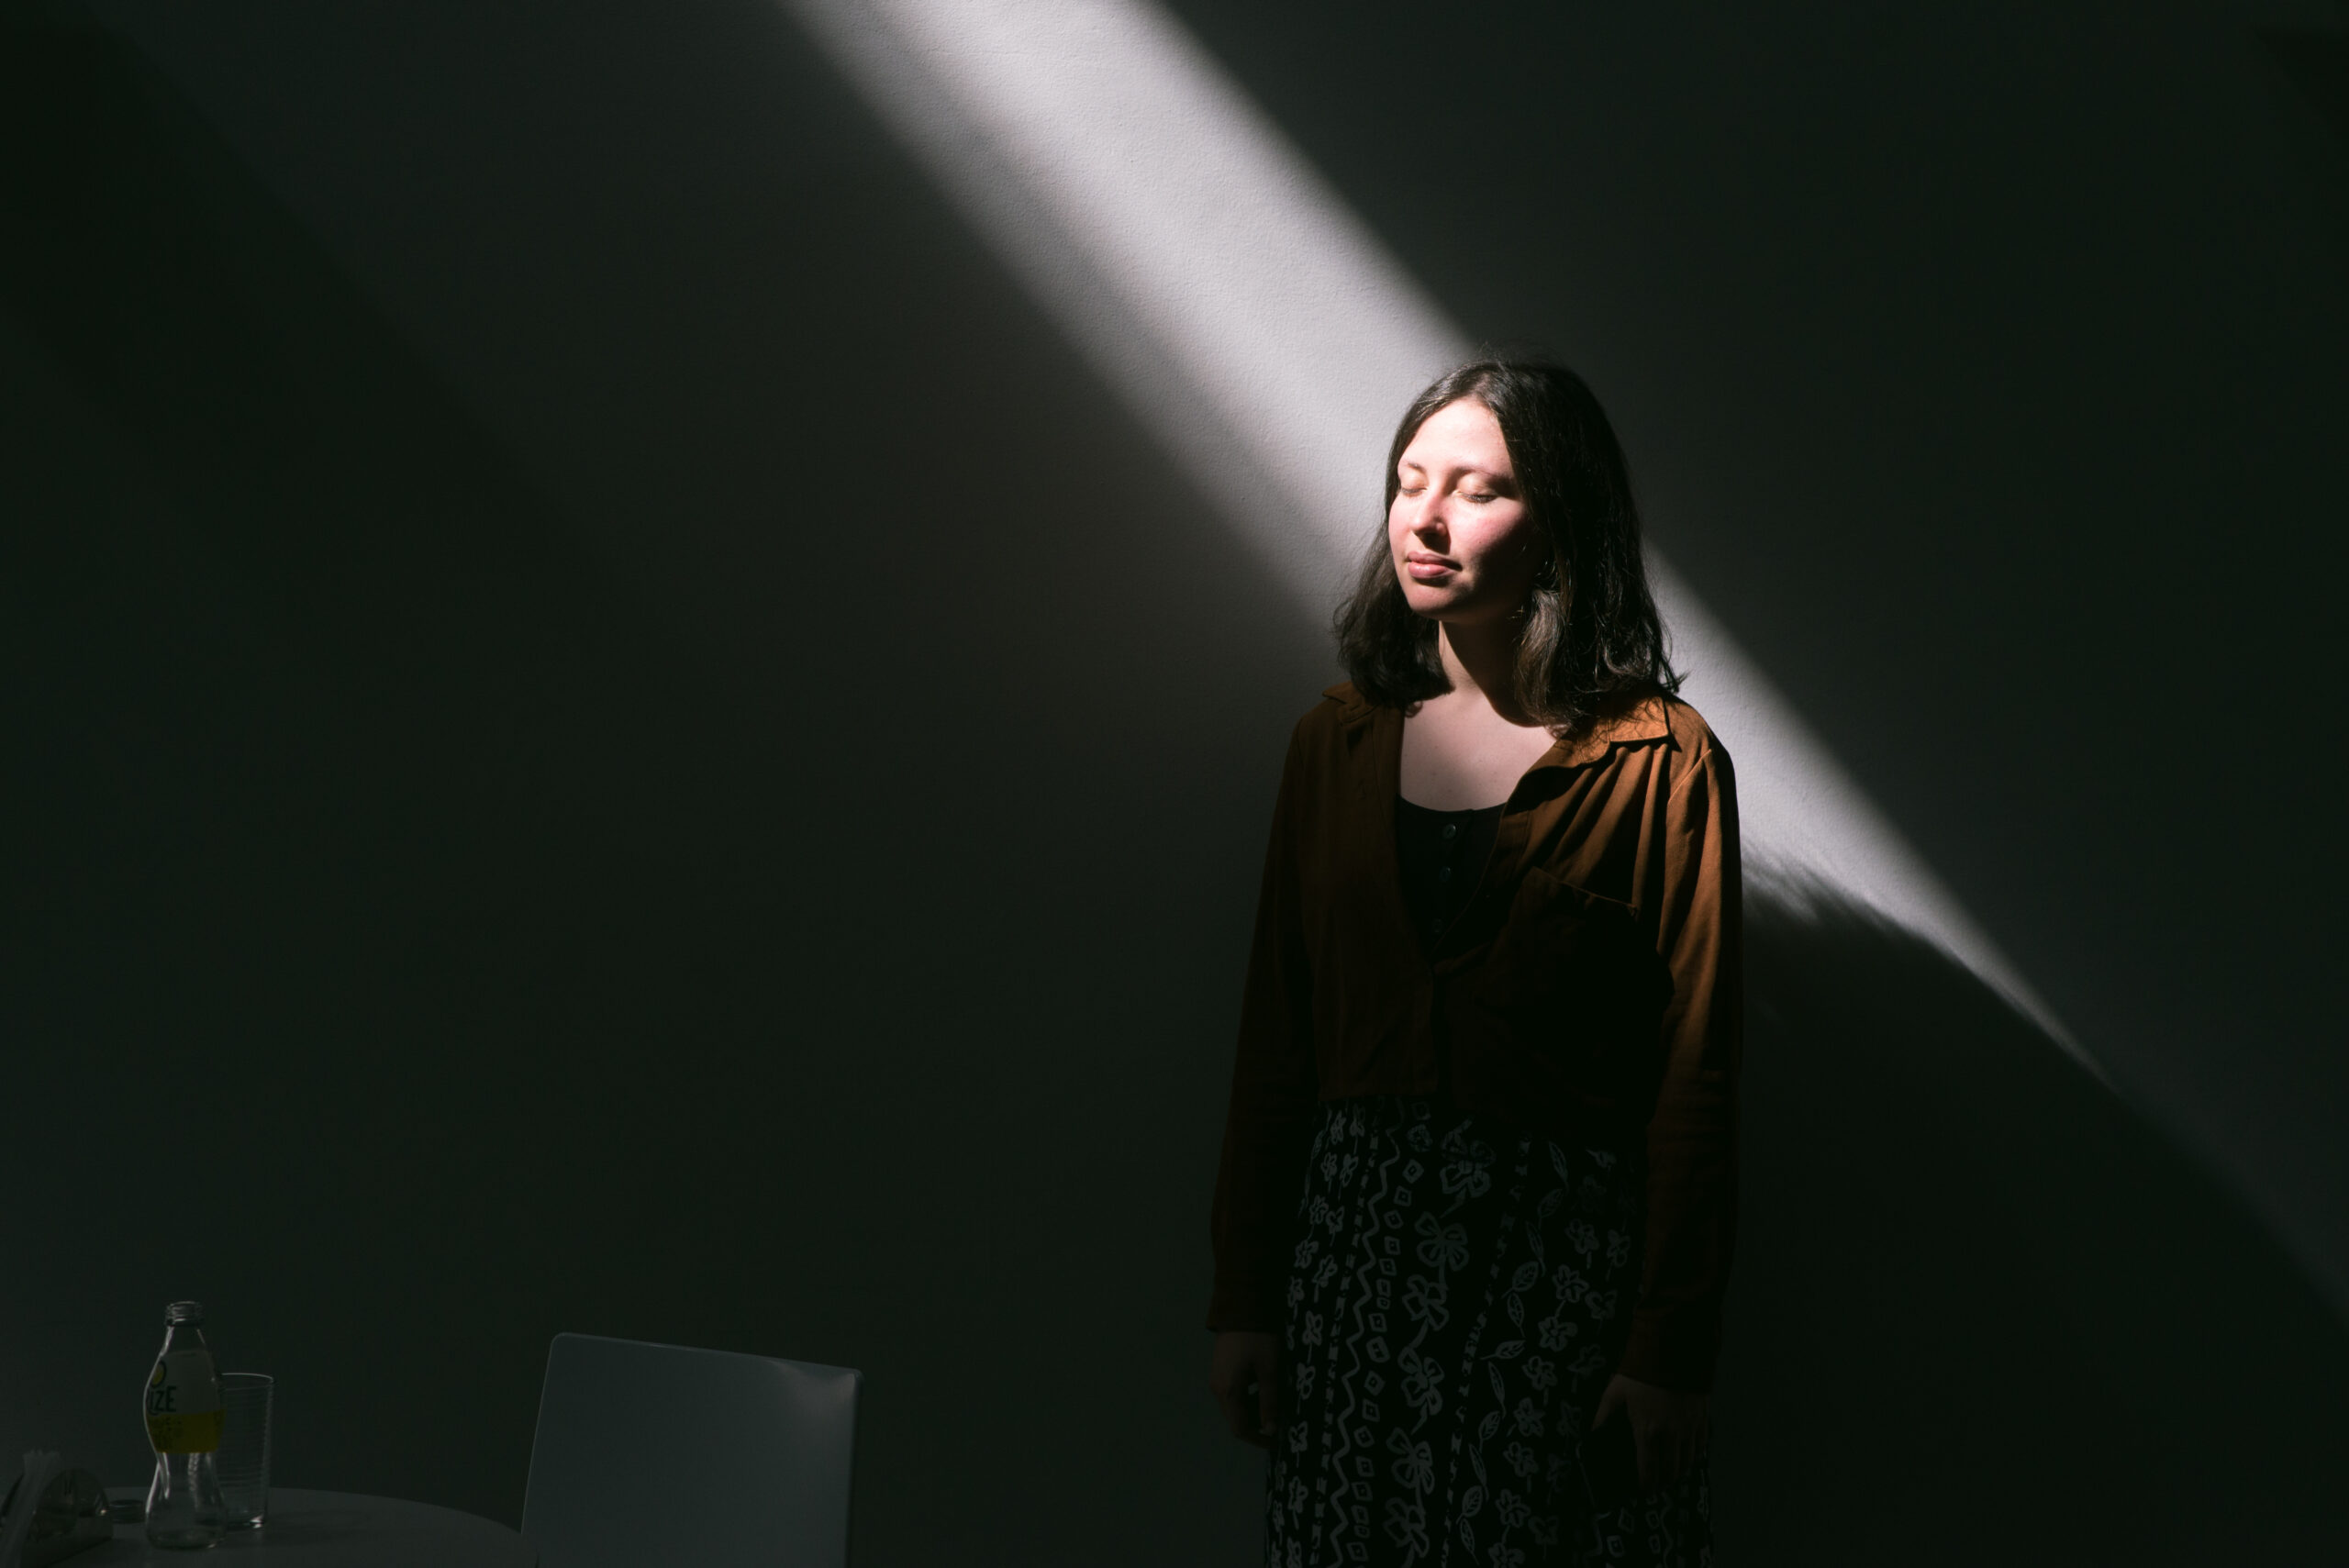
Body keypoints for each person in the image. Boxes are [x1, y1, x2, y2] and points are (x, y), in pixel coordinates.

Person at [1207, 360, 1739, 1567]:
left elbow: (1696, 1077)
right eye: (1410, 483)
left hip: (1556, 1289)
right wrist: (1244, 1297)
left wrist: (1669, 1347)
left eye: (1479, 489)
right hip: (1346, 1275)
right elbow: (1276, 1043)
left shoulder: (1662, 763)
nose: (1428, 518)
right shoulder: (1334, 744)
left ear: (1559, 520)